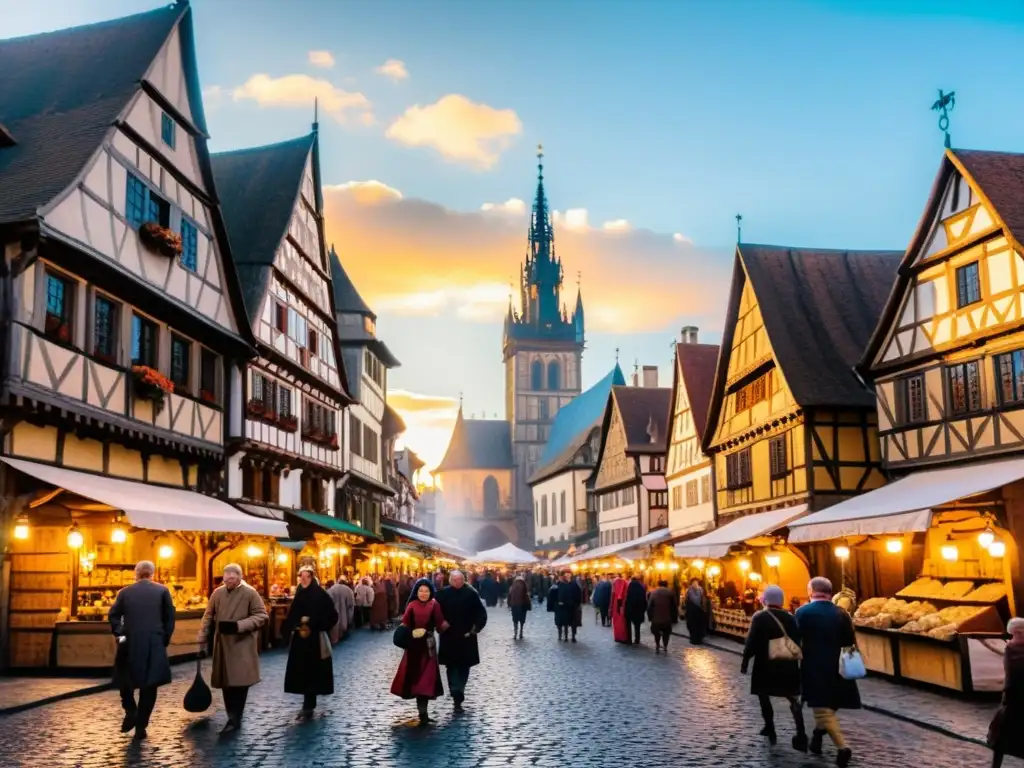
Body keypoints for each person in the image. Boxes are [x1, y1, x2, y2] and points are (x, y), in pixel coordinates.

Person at [795, 577, 859, 768]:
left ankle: (842, 748)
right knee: (830, 706)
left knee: (822, 710)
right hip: (840, 666)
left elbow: (795, 641)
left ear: (811, 591)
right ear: (830, 592)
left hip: (814, 667)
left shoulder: (802, 612)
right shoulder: (842, 613)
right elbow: (850, 642)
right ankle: (817, 736)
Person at [197, 563, 269, 733]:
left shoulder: (250, 593)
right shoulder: (218, 593)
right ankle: (232, 715)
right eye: (226, 578)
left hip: (241, 643)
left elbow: (261, 616)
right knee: (226, 682)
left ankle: (235, 717)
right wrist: (202, 635)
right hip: (222, 644)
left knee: (239, 682)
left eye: (232, 578)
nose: (229, 581)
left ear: (239, 577)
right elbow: (208, 614)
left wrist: (239, 625)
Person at [108, 560, 174, 740]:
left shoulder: (125, 592)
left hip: (129, 641)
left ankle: (130, 710)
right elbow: (169, 618)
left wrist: (120, 636)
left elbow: (113, 616)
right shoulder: (162, 591)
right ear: (152, 573)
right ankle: (141, 725)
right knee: (149, 686)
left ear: (136, 573)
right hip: (154, 643)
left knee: (125, 681)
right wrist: (163, 640)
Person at [741, 585, 807, 752]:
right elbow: (798, 640)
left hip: (765, 664)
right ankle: (801, 732)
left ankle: (769, 726)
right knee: (792, 697)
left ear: (766, 599)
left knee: (764, 696)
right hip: (787, 663)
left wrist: (746, 660)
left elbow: (752, 641)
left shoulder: (760, 618)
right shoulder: (791, 618)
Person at [391, 578, 450, 726]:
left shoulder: (434, 605)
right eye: (421, 591)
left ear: (430, 592)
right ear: (416, 592)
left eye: (426, 591)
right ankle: (421, 711)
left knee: (426, 678)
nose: (423, 593)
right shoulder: (411, 605)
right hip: (413, 646)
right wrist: (408, 633)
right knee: (414, 675)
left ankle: (423, 712)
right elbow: (405, 624)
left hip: (428, 646)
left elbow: (440, 623)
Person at [282, 567, 339, 717]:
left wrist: (317, 625)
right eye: (301, 577)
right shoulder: (299, 594)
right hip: (300, 640)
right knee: (302, 670)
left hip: (315, 640)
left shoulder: (321, 594)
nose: (303, 579)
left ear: (312, 578)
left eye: (307, 577)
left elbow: (333, 616)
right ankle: (307, 702)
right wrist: (291, 627)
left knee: (313, 670)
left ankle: (309, 703)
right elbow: (293, 614)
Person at [436, 570, 488, 712]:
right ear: (451, 580)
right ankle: (455, 690)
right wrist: (440, 623)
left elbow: (480, 613)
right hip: (449, 637)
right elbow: (435, 612)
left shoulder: (471, 594)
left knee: (465, 666)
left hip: (467, 636)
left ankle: (460, 690)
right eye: (454, 579)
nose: (457, 582)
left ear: (463, 580)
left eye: (460, 580)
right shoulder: (442, 594)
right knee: (451, 666)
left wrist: (476, 627)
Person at [988, 617, 1024, 767]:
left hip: (1011, 695)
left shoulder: (1010, 648)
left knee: (1003, 734)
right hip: (1014, 695)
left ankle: (995, 765)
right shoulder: (1011, 648)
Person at [647, 579, 678, 653]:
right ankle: (665, 646)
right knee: (666, 633)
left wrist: (650, 617)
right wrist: (674, 618)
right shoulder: (670, 592)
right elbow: (674, 606)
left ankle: (657, 645)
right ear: (666, 585)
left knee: (656, 633)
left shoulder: (653, 592)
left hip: (656, 618)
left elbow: (649, 606)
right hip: (667, 618)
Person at [553, 570, 583, 642]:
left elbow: (578, 595)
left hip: (573, 606)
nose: (567, 575)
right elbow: (556, 595)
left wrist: (578, 604)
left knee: (573, 623)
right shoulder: (560, 584)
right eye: (566, 574)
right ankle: (565, 636)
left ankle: (573, 636)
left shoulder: (574, 584)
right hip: (563, 607)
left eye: (569, 574)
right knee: (565, 622)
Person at [327, 577, 356, 644]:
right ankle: (342, 635)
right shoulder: (348, 590)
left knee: (335, 625)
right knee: (343, 623)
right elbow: (351, 604)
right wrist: (350, 617)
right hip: (344, 611)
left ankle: (335, 639)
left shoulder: (331, 589)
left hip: (334, 610)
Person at [685, 578, 710, 644]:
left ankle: (699, 639)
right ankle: (694, 640)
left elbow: (703, 599)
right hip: (692, 611)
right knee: (692, 626)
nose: (696, 584)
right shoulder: (689, 590)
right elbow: (694, 599)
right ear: (692, 583)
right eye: (694, 583)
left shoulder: (700, 589)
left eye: (697, 583)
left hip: (699, 611)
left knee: (699, 626)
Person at [624, 574, 647, 645]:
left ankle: (629, 639)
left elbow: (626, 598)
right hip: (638, 610)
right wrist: (643, 609)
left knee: (628, 625)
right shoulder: (641, 588)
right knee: (637, 626)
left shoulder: (629, 587)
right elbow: (644, 600)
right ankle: (637, 639)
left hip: (629, 609)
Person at [508, 575, 532, 639]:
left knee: (515, 620)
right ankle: (521, 632)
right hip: (522, 605)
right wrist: (529, 606)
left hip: (514, 605)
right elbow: (527, 597)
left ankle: (515, 633)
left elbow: (509, 596)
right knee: (522, 620)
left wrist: (509, 604)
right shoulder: (524, 586)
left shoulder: (512, 587)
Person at [610, 574, 630, 643]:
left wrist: (610, 607)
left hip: (616, 604)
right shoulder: (625, 583)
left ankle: (617, 637)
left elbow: (612, 596)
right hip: (623, 604)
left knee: (616, 621)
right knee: (623, 621)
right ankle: (623, 637)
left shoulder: (614, 583)